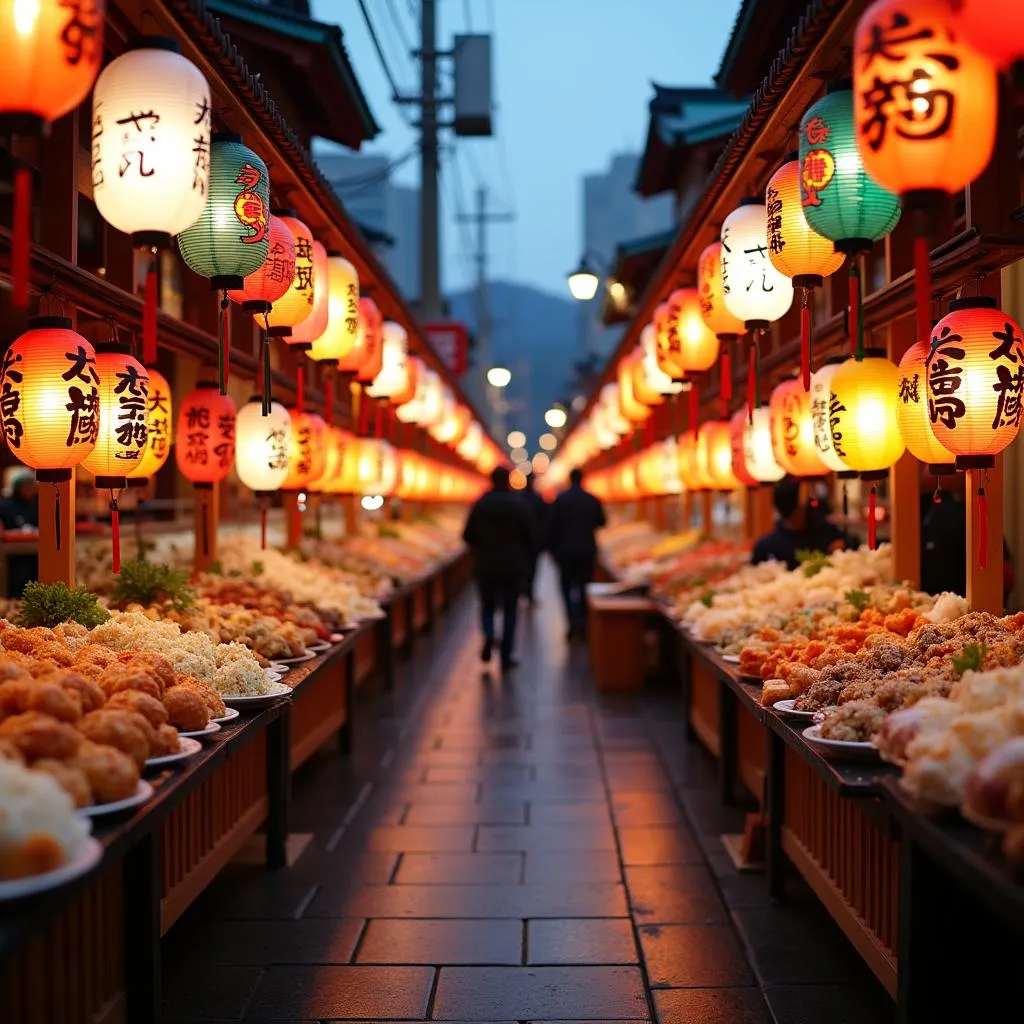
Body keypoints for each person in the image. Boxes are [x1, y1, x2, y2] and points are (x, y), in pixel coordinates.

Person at [462, 465, 536, 669]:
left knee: (487, 606)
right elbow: (530, 536)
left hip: (486, 565)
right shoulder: (518, 505)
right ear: (508, 481)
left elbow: (467, 535)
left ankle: (489, 633)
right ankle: (505, 655)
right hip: (513, 566)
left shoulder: (481, 505)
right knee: (511, 611)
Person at [548, 467, 606, 639]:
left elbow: (551, 526)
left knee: (566, 587)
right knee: (584, 586)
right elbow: (602, 521)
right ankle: (582, 622)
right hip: (586, 549)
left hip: (564, 550)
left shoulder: (560, 500)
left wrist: (552, 550)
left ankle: (572, 621)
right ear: (583, 479)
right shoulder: (591, 499)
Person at [752, 476, 849, 570]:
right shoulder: (766, 547)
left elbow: (850, 542)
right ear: (796, 510)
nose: (809, 504)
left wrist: (842, 545)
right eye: (805, 502)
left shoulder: (825, 531)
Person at [0, 471, 39, 598]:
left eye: (31, 485)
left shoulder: (38, 503)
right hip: (12, 553)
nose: (30, 489)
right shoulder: (6, 504)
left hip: (36, 550)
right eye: (26, 485)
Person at [519, 472, 548, 604]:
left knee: (529, 567)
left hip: (527, 541)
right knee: (530, 567)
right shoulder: (536, 498)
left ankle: (527, 591)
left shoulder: (521, 498)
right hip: (531, 540)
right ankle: (527, 591)